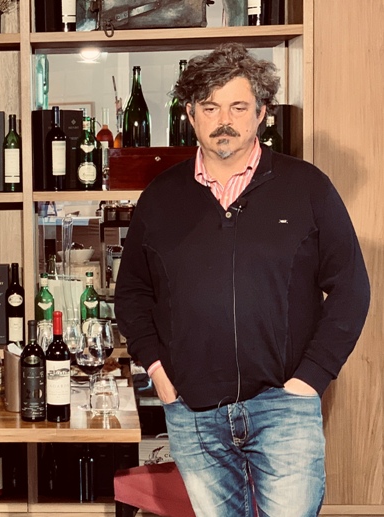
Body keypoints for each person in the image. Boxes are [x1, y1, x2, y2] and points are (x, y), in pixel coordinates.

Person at [115, 43, 370, 516]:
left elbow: (351, 288)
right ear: (190, 114)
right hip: (193, 410)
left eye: (237, 106)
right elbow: (131, 292)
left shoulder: (307, 187)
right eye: (210, 107)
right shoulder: (160, 197)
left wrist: (311, 379)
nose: (223, 120)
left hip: (284, 407)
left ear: (261, 113)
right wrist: (158, 372)